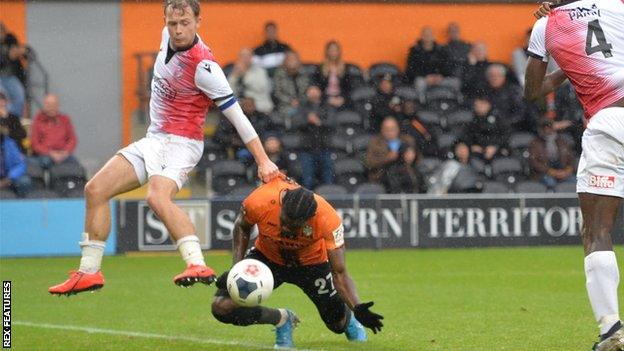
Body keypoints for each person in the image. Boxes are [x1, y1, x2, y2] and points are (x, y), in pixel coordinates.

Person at [48, 0, 279, 296]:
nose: (178, 30)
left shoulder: (205, 67)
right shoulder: (165, 36)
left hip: (182, 143)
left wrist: (263, 161)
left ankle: (197, 263)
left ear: (198, 22)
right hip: (155, 139)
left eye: (185, 24)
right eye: (173, 23)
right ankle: (89, 272)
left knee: (157, 198)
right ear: (166, 21)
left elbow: (239, 118)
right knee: (95, 189)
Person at [525, 1, 624, 349]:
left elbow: (532, 92)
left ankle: (611, 330)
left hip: (608, 124)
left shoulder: (546, 26)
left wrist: (568, 59)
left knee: (597, 230)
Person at [211, 178, 383, 348]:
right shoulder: (260, 200)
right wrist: (238, 268)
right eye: (284, 221)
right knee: (222, 307)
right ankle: (281, 319)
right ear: (282, 205)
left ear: (310, 218)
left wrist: (357, 307)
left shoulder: (328, 219)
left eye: (293, 226)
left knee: (336, 324)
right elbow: (241, 226)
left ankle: (350, 322)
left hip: (312, 265)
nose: (285, 229)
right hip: (267, 258)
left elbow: (339, 272)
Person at [292, 85, 335, 190]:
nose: (313, 93)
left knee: (327, 179)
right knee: (308, 180)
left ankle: (327, 203)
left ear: (320, 92)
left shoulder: (327, 106)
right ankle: (308, 203)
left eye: (315, 90)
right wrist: (308, 121)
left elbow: (332, 123)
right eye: (311, 90)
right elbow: (296, 123)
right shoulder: (301, 107)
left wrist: (318, 122)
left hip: (324, 147)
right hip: (307, 148)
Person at [365, 116, 422, 193]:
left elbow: (419, 159)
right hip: (383, 176)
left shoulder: (407, 140)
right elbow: (369, 162)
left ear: (398, 129)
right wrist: (387, 158)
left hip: (406, 174)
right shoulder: (375, 143)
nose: (390, 132)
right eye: (387, 129)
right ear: (382, 130)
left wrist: (413, 157)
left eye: (392, 129)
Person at [30, 94, 79, 169]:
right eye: (48, 105)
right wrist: (50, 153)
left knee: (75, 165)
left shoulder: (65, 119)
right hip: (46, 155)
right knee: (45, 163)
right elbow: (35, 143)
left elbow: (72, 139)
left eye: (54, 105)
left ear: (58, 106)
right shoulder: (38, 120)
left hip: (63, 153)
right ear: (44, 106)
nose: (51, 108)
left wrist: (65, 152)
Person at [528, 119, 575, 189]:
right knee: (550, 182)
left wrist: (568, 170)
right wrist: (550, 171)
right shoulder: (535, 143)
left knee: (575, 181)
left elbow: (570, 158)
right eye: (545, 128)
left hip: (562, 170)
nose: (547, 130)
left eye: (549, 127)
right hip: (544, 173)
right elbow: (534, 162)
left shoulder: (562, 142)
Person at [227, 47, 274, 114]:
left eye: (247, 56)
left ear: (252, 57)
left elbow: (261, 88)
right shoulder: (236, 71)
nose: (245, 59)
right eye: (243, 56)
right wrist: (234, 76)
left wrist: (245, 74)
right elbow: (228, 91)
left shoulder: (260, 71)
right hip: (241, 106)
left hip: (260, 104)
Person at [462, 96, 507, 163]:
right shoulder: (471, 121)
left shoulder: (498, 119)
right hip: (477, 153)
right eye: (476, 105)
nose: (479, 107)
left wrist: (496, 147)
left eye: (482, 104)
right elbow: (466, 136)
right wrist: (472, 146)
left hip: (497, 151)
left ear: (488, 105)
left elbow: (505, 135)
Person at [311, 41, 353, 110]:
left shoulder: (345, 68)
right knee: (329, 110)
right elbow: (318, 87)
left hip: (341, 98)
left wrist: (342, 98)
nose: (333, 53)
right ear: (327, 52)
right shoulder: (320, 68)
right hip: (326, 98)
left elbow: (349, 87)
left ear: (339, 52)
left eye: (335, 50)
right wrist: (328, 99)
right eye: (331, 50)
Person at [272, 51, 310, 122]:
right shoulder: (279, 74)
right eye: (289, 59)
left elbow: (307, 90)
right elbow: (277, 93)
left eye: (294, 59)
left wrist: (300, 101)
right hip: (284, 105)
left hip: (303, 103)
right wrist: (290, 101)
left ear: (298, 61)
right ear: (285, 61)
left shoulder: (304, 73)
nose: (292, 62)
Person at [0, 22, 27, 117]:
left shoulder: (11, 40)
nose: (2, 35)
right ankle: (6, 119)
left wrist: (22, 51)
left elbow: (26, 54)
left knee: (20, 95)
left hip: (11, 76)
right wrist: (8, 56)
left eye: (3, 32)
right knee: (3, 98)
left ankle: (14, 121)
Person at [0, 132, 31, 197]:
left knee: (25, 181)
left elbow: (20, 165)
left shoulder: (9, 143)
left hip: (8, 178)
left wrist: (9, 178)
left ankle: (21, 204)